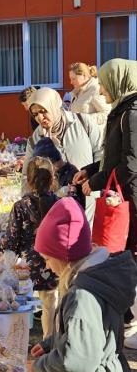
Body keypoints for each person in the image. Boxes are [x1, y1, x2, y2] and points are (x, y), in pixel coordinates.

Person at [30, 198, 136, 372]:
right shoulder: (93, 280)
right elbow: (88, 335)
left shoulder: (82, 295)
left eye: (47, 259)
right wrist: (51, 344)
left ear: (62, 256)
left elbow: (77, 360)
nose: (47, 267)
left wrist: (38, 368)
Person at [73, 58, 137, 258]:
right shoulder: (122, 110)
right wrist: (91, 170)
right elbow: (115, 155)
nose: (100, 91)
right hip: (125, 195)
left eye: (103, 84)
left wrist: (96, 181)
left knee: (129, 255)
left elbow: (131, 164)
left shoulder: (132, 114)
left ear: (118, 81)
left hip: (132, 200)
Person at [0, 157, 59, 338]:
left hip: (26, 268)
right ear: (52, 179)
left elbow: (10, 241)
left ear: (28, 180)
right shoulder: (59, 203)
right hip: (52, 264)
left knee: (21, 303)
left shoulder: (21, 206)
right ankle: (49, 340)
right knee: (50, 303)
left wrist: (1, 250)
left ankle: (19, 339)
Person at [24, 87, 102, 225]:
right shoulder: (35, 139)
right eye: (35, 114)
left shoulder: (83, 122)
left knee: (86, 234)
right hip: (55, 205)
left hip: (88, 195)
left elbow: (101, 154)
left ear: (54, 106)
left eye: (43, 111)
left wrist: (94, 180)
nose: (40, 118)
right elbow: (27, 174)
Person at [32, 137, 85, 209]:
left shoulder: (72, 175)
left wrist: (71, 194)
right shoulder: (58, 172)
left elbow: (77, 207)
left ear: (50, 163)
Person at [69, 62, 110, 134]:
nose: (71, 82)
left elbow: (106, 113)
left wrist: (84, 118)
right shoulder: (78, 91)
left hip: (93, 136)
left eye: (74, 79)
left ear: (84, 76)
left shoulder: (96, 89)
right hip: (81, 134)